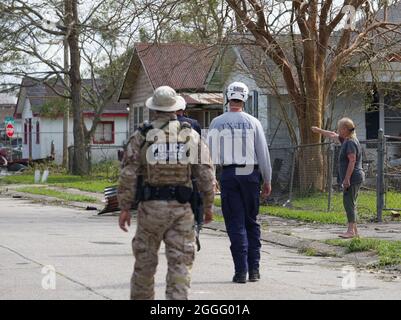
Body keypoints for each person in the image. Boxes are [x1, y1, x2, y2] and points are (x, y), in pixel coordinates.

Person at [118, 86, 215, 300]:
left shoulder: (142, 136)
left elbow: (128, 173)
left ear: (154, 109)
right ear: (176, 108)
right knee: (180, 266)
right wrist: (209, 206)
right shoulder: (190, 135)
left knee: (144, 266)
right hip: (181, 210)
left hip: (150, 210)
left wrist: (125, 207)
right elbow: (206, 173)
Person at [207, 81, 272, 283]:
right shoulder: (254, 122)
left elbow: (209, 155)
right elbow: (263, 154)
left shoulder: (217, 122)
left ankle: (240, 271)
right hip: (250, 174)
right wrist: (267, 180)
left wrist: (212, 179)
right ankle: (254, 270)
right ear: (245, 98)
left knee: (235, 223)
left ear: (228, 97)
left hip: (229, 174)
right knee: (251, 222)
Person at [311, 117, 365, 238]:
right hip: (354, 177)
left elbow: (352, 161)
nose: (338, 130)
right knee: (351, 202)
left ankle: (350, 231)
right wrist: (318, 130)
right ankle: (354, 231)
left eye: (340, 128)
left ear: (345, 129)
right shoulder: (346, 140)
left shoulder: (350, 142)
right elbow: (332, 135)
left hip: (353, 177)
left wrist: (346, 179)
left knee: (348, 203)